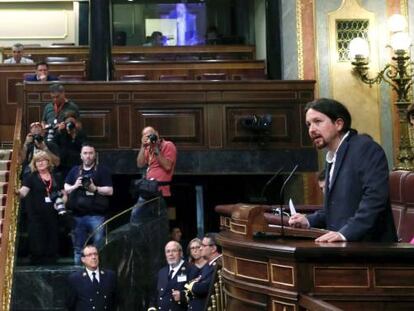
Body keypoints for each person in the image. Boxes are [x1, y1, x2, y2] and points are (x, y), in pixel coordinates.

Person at [288, 98, 397, 243]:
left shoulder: (365, 148)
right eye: (309, 124)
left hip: (371, 249)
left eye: (317, 122)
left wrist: (345, 234)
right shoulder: (334, 157)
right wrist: (308, 220)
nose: (311, 130)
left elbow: (374, 199)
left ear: (338, 124)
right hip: (345, 248)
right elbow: (336, 208)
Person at [64, 143, 113, 265]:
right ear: (81, 156)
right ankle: (78, 274)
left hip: (96, 215)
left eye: (91, 153)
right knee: (78, 248)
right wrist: (76, 185)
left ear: (95, 155)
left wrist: (95, 188)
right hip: (77, 216)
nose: (88, 156)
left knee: (99, 248)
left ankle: (98, 273)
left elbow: (110, 191)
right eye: (85, 153)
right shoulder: (75, 170)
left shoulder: (102, 170)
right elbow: (66, 188)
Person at [16, 151, 67, 264]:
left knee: (52, 241)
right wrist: (17, 192)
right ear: (34, 164)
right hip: (36, 217)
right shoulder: (30, 177)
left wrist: (61, 202)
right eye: (38, 161)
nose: (41, 163)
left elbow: (64, 194)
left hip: (53, 215)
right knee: (38, 242)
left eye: (43, 160)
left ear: (48, 162)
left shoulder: (56, 176)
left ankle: (52, 261)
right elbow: (24, 192)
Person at [131, 126, 177, 223]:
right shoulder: (148, 148)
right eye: (146, 136)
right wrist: (143, 147)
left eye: (151, 135)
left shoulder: (168, 145)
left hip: (160, 190)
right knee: (137, 215)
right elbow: (140, 164)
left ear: (157, 133)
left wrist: (155, 148)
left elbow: (167, 166)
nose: (150, 138)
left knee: (157, 221)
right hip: (148, 189)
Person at [66, 245, 117, 311]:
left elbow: (115, 301)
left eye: (95, 254)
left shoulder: (110, 276)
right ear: (83, 259)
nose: (93, 257)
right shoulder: (75, 279)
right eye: (89, 255)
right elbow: (70, 304)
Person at [148, 241, 196, 311]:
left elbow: (198, 295)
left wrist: (182, 296)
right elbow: (155, 295)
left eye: (174, 251)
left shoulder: (191, 269)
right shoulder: (162, 272)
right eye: (168, 251)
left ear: (181, 253)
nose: (171, 254)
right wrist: (152, 308)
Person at [180, 233, 222, 311]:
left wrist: (192, 285)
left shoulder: (218, 264)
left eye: (203, 245)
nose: (200, 248)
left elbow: (203, 288)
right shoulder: (209, 264)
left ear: (213, 249)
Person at [53, 112, 87, 178]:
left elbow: (84, 146)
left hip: (77, 163)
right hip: (63, 163)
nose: (70, 124)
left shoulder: (81, 133)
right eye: (68, 122)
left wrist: (74, 135)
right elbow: (54, 144)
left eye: (72, 122)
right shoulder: (61, 132)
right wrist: (58, 131)